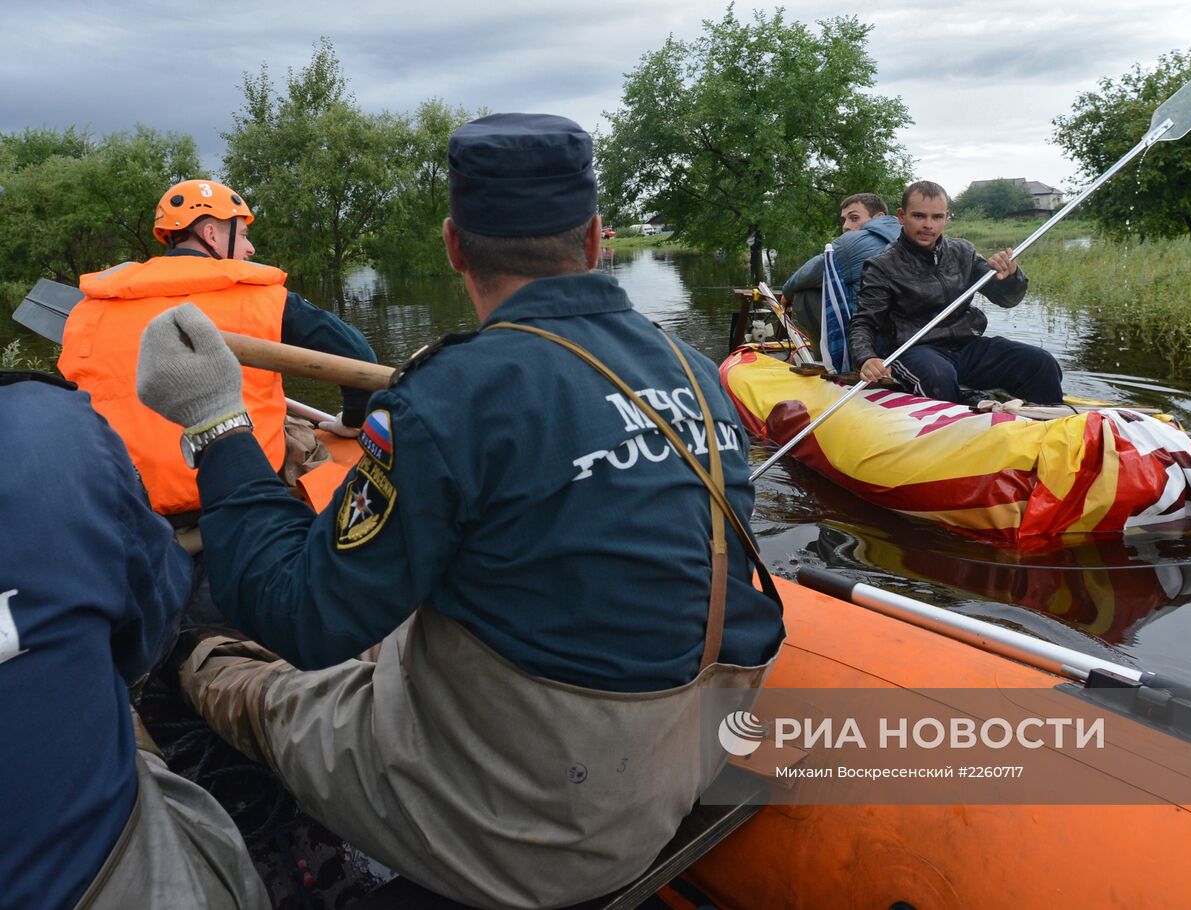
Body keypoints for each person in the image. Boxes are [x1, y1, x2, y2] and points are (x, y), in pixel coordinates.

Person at [133, 113, 785, 909]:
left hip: (514, 833)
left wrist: (215, 419)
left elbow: (298, 618)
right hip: (671, 775)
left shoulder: (450, 399)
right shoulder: (695, 368)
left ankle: (229, 753)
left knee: (225, 672)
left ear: (453, 246)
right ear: (594, 240)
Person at [0, 369, 268, 910]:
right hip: (108, 881)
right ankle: (205, 661)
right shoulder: (53, 422)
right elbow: (146, 635)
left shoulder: (87, 325)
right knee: (132, 672)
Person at [58, 179, 378, 522]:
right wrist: (352, 421)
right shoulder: (262, 297)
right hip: (242, 487)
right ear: (211, 235)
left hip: (130, 503)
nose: (250, 248)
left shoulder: (89, 309)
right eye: (242, 235)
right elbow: (358, 358)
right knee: (302, 441)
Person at [849, 180, 1063, 403]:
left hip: (967, 346)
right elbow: (864, 321)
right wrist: (867, 357)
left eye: (937, 217)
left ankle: (1049, 427)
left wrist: (1010, 276)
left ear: (947, 218)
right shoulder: (882, 265)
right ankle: (956, 419)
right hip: (915, 351)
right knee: (938, 376)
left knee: (1041, 362)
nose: (928, 225)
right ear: (902, 216)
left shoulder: (963, 251)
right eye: (919, 216)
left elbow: (1007, 299)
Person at [780, 193, 902, 342]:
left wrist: (787, 293)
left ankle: (829, 359)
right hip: (905, 338)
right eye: (844, 220)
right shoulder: (909, 237)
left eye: (854, 218)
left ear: (878, 217)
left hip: (868, 338)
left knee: (805, 293)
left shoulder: (853, 242)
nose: (846, 226)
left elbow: (810, 273)